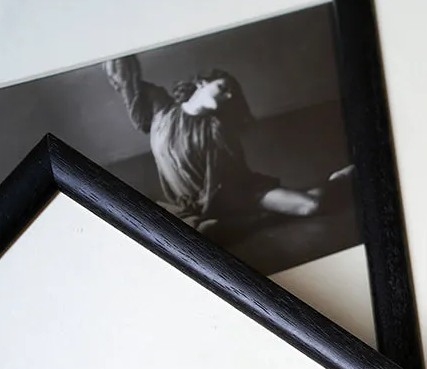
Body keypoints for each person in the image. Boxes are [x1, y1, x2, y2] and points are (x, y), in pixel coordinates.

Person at [102, 55, 353, 235]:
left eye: (232, 93)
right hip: (192, 205)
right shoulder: (162, 108)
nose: (229, 95)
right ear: (201, 83)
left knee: (312, 205)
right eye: (223, 87)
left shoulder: (215, 129)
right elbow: (125, 79)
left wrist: (207, 208)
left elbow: (230, 180)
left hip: (238, 194)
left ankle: (341, 180)